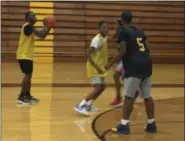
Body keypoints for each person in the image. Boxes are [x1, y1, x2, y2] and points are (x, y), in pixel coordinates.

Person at [105, 10, 157, 134]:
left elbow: (122, 51)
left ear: (121, 19)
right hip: (147, 64)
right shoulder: (140, 31)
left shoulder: (123, 32)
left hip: (134, 67)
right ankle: (152, 124)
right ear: (131, 19)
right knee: (147, 96)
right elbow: (148, 48)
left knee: (129, 97)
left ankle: (124, 125)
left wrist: (110, 63)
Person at [74, 21, 108, 116]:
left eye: (107, 28)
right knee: (97, 88)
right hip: (94, 67)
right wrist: (97, 67)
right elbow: (88, 53)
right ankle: (80, 105)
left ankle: (88, 105)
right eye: (104, 27)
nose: (106, 29)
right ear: (99, 28)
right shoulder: (96, 40)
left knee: (102, 87)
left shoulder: (104, 38)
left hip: (100, 67)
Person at [17, 11, 51, 105]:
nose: (35, 16)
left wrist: (48, 27)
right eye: (33, 15)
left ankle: (27, 95)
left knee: (29, 76)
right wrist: (46, 26)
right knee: (27, 75)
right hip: (23, 55)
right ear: (27, 18)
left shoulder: (30, 28)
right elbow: (40, 34)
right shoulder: (27, 26)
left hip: (28, 56)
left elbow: (43, 36)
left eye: (35, 15)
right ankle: (21, 97)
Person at [111, 19, 140, 108]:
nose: (114, 26)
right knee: (121, 77)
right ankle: (122, 96)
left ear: (120, 25)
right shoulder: (120, 33)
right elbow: (114, 38)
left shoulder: (125, 34)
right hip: (124, 59)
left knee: (118, 76)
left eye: (116, 24)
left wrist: (110, 63)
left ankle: (121, 97)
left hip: (128, 58)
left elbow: (123, 49)